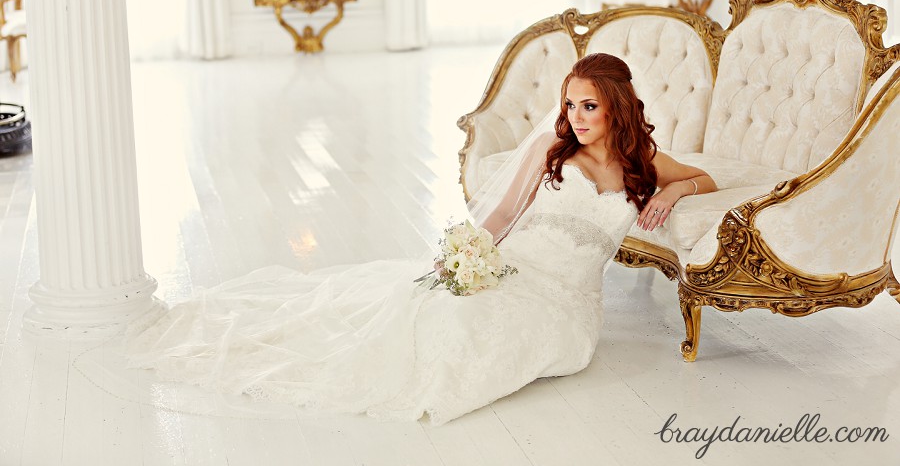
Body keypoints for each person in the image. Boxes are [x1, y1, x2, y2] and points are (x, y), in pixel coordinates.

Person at [123, 53, 716, 425]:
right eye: (569, 103)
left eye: (589, 105)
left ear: (616, 108)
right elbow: (505, 212)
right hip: (515, 271)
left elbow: (704, 178)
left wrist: (671, 193)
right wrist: (470, 256)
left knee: (499, 337)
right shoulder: (551, 151)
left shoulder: (644, 162)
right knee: (441, 319)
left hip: (571, 304)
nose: (577, 115)